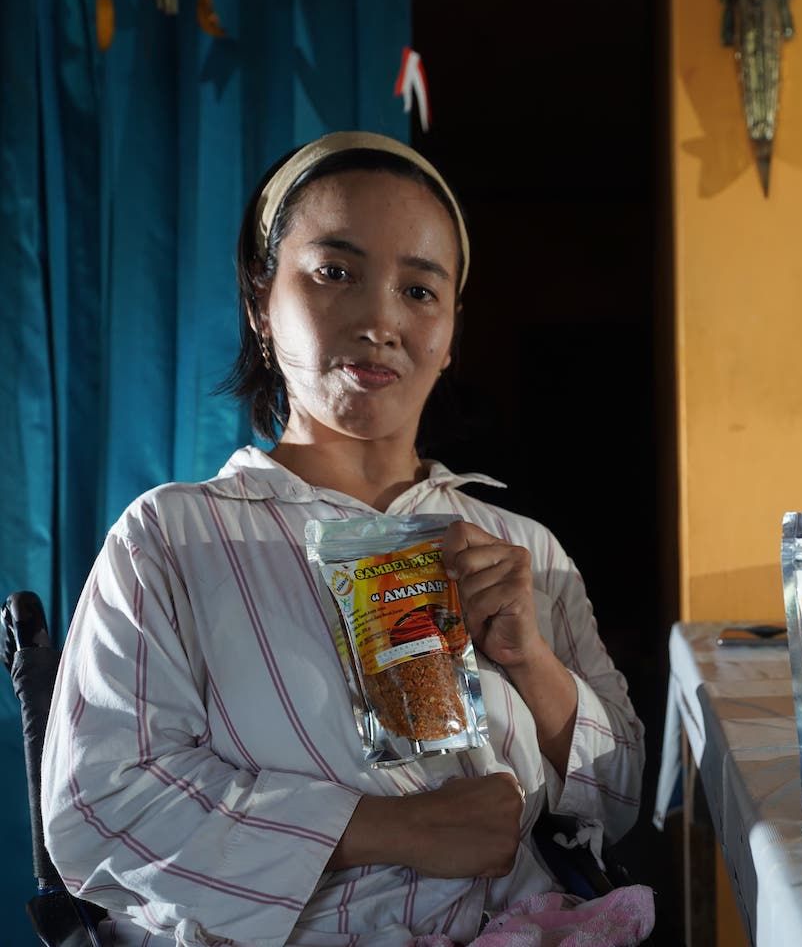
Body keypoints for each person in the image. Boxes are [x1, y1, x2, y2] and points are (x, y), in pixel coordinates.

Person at [39, 132, 645, 946]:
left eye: (419, 291)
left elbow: (620, 796)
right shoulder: (172, 541)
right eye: (335, 273)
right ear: (261, 304)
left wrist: (532, 663)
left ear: (451, 333)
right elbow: (98, 809)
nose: (381, 320)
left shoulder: (523, 550)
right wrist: (382, 828)